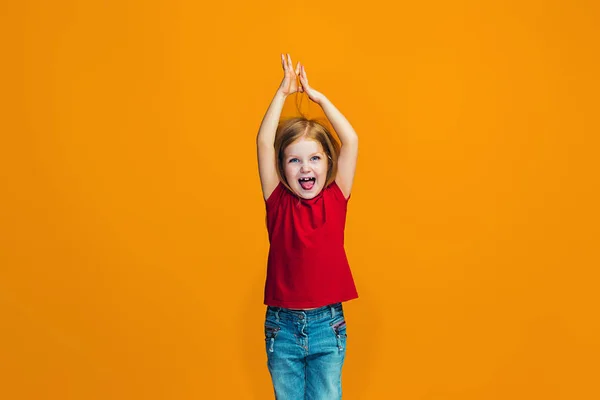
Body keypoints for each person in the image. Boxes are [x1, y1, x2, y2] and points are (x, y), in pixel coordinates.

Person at [256, 53, 359, 399]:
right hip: (281, 328)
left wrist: (320, 99)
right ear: (282, 167)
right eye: (295, 160)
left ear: (327, 162)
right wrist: (282, 93)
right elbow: (263, 142)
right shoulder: (277, 201)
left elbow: (352, 141)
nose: (305, 168)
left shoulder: (337, 196)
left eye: (314, 158)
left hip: (327, 326)